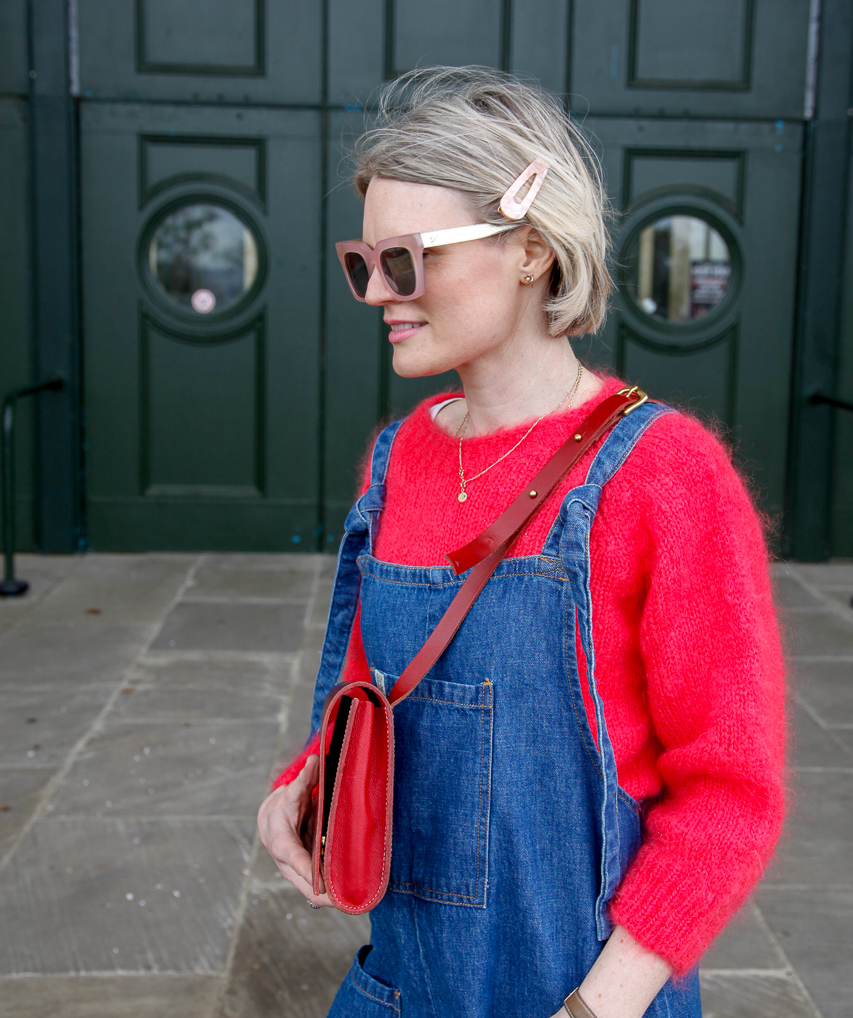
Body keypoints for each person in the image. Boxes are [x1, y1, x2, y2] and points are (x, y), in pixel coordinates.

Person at [257, 66, 785, 1018]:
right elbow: (370, 686)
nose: (378, 293)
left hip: (579, 994)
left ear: (532, 249)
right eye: (361, 262)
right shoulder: (398, 456)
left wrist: (602, 1003)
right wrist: (304, 780)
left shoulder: (664, 473)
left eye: (406, 262)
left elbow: (728, 792)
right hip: (400, 984)